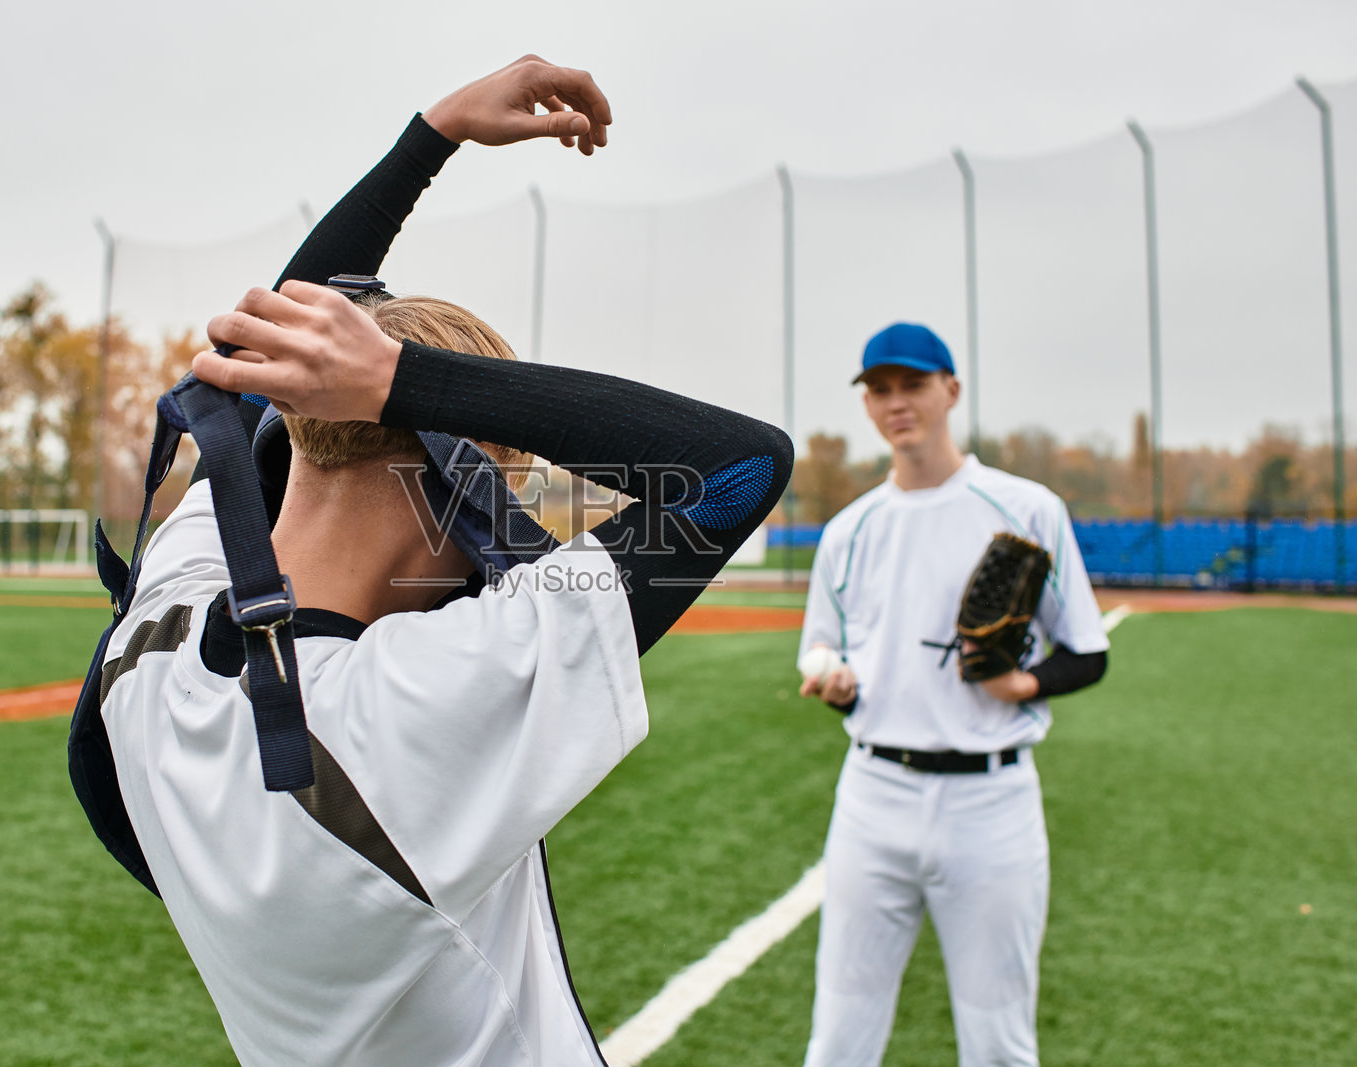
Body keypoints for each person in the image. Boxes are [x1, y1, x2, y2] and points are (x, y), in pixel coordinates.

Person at [97, 57, 793, 1066]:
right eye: (499, 486)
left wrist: (435, 134)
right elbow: (738, 469)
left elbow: (258, 372)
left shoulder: (156, 641)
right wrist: (407, 380)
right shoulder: (405, 708)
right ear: (453, 488)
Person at [796, 323, 1108, 1067]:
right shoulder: (849, 530)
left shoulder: (1027, 507)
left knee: (999, 1043)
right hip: (873, 796)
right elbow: (821, 645)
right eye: (880, 389)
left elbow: (1088, 651)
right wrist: (833, 679)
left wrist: (1022, 682)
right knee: (838, 1039)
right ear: (866, 403)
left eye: (913, 384)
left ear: (952, 391)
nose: (896, 402)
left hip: (990, 805)